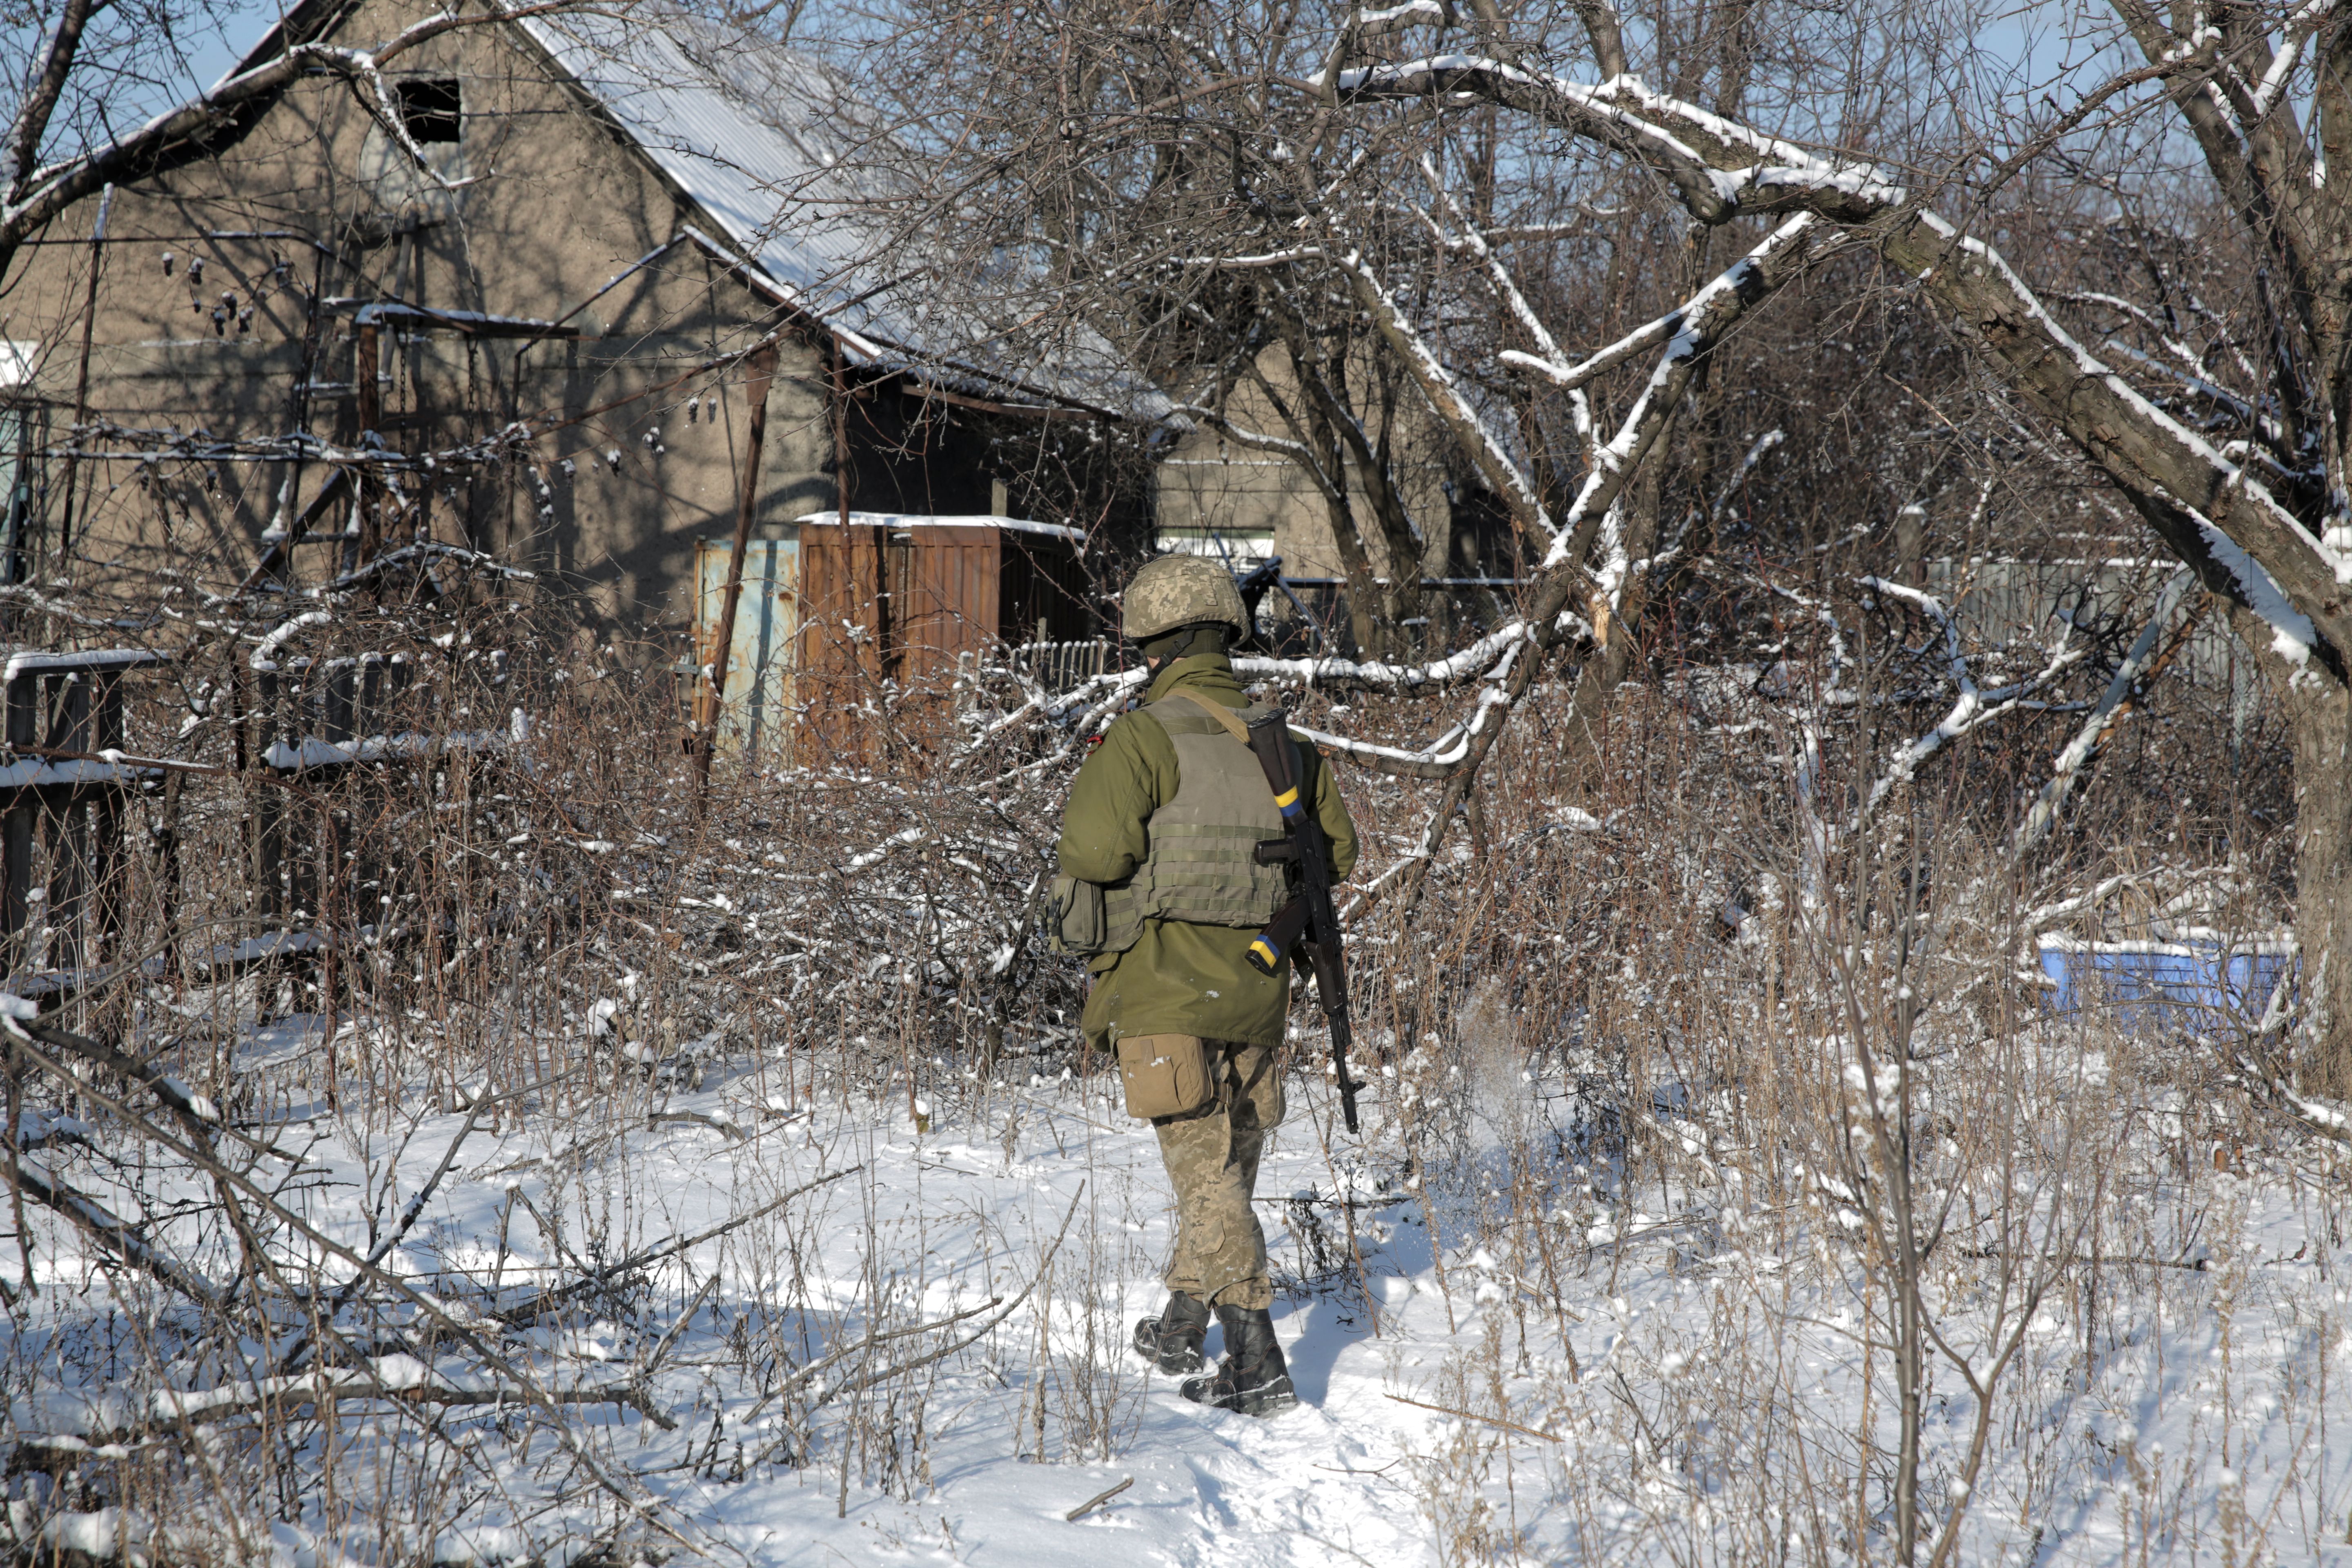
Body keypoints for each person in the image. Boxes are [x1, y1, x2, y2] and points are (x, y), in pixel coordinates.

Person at [1052, 555, 1358, 1417]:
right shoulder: (1283, 743)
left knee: (1206, 1176)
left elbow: (1094, 854)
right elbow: (1338, 856)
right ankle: (1185, 1322)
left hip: (1162, 989)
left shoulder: (1144, 737)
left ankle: (1257, 1366)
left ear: (1159, 645)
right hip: (1259, 986)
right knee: (1224, 1168)